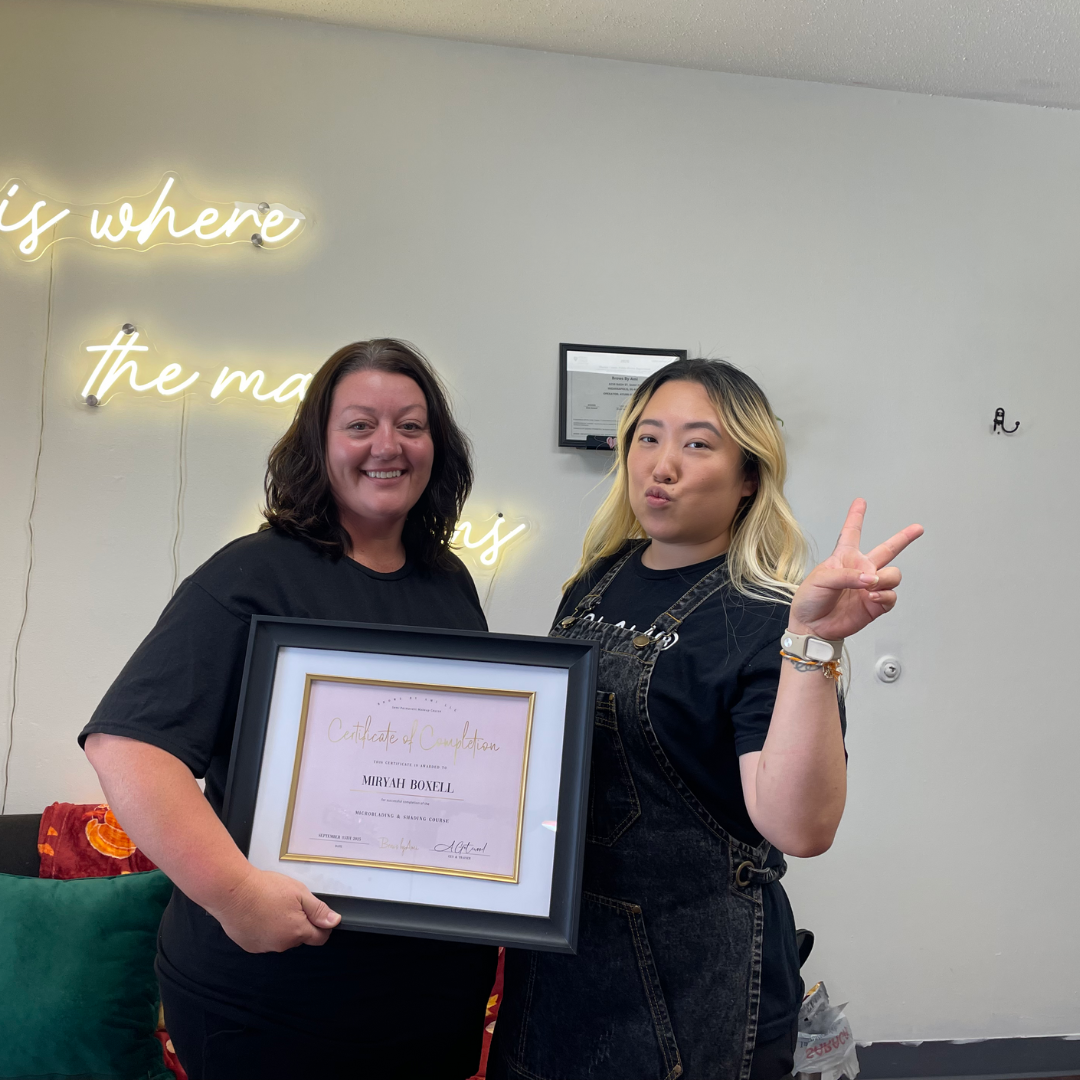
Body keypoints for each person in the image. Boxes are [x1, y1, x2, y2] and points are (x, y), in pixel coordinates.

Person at [489, 358, 923, 1080]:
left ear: (748, 475)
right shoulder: (599, 577)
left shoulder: (766, 617)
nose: (663, 466)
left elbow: (801, 829)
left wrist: (813, 642)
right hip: (563, 951)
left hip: (690, 979)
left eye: (697, 444)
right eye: (647, 438)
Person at [80, 340, 498, 1080]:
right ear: (319, 442)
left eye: (411, 425)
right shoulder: (252, 573)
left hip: (423, 996)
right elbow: (128, 747)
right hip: (272, 993)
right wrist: (236, 894)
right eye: (360, 425)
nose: (388, 446)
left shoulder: (448, 583)